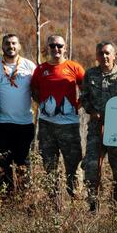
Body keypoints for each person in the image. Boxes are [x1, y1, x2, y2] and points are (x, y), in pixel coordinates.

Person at [80, 41, 117, 209]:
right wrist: (91, 110)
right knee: (91, 167)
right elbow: (84, 97)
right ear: (97, 56)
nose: (104, 56)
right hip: (97, 127)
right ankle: (92, 206)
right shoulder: (90, 74)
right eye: (101, 53)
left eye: (107, 53)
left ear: (114, 56)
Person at [30, 35, 85, 198]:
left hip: (69, 126)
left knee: (73, 166)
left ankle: (76, 203)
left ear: (65, 48)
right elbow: (34, 91)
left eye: (59, 46)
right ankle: (54, 203)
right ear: (47, 48)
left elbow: (86, 89)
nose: (56, 49)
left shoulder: (74, 67)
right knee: (49, 166)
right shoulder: (40, 69)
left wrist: (78, 104)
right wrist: (45, 107)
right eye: (52, 45)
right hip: (47, 125)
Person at [0, 34, 37, 196]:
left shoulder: (30, 66)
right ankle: (7, 202)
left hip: (25, 124)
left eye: (14, 43)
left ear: (19, 46)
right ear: (2, 46)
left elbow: (38, 91)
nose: (11, 46)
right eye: (7, 43)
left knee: (23, 164)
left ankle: (24, 200)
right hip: (2, 124)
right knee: (3, 164)